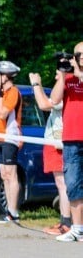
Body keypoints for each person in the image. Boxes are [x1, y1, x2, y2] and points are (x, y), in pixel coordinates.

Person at [43, 41, 83, 242]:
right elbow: (54, 100)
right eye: (78, 55)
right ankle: (77, 228)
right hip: (72, 138)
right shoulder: (68, 79)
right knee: (73, 183)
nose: (80, 58)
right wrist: (63, 74)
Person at [28, 70, 71, 235]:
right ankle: (65, 221)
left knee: (63, 184)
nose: (54, 77)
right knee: (62, 184)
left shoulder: (66, 89)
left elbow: (44, 104)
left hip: (59, 141)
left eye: (58, 74)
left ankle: (66, 223)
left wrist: (36, 84)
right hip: (55, 140)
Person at [0, 60, 22, 224]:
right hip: (0, 138)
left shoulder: (13, 92)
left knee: (11, 174)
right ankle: (8, 211)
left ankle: (13, 212)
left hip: (11, 137)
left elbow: (3, 114)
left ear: (5, 76)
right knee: (4, 175)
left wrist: (0, 97)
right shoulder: (3, 92)